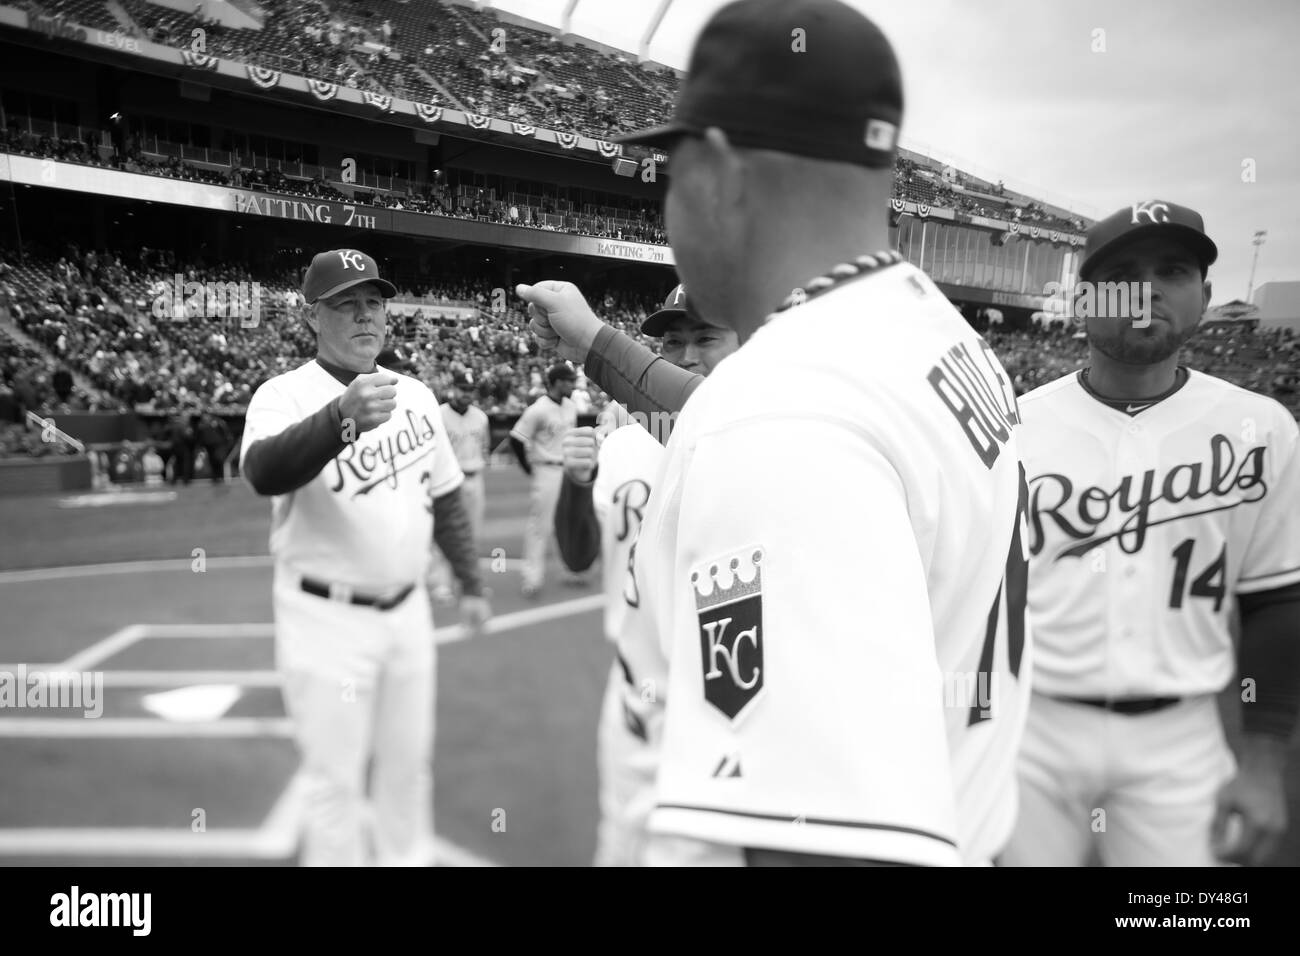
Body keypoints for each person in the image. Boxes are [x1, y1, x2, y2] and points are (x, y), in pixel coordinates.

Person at [519, 0, 1030, 866]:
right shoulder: (941, 334)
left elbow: (818, 841)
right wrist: (598, 343)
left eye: (671, 178)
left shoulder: (777, 405)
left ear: (723, 172)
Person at [1001, 202, 1300, 867]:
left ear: (1205, 296)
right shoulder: (1012, 428)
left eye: (1173, 270)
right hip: (1033, 731)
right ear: (1083, 299)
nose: (1149, 291)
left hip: (1182, 738)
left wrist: (1263, 759)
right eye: (1122, 275)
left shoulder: (1263, 427)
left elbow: (1275, 600)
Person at [239, 248, 490, 867]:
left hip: (406, 615)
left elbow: (447, 493)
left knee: (408, 771)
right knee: (336, 785)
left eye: (373, 301)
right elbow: (264, 473)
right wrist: (338, 420)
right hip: (326, 619)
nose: (364, 315)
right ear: (311, 318)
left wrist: (471, 580)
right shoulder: (285, 395)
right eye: (345, 303)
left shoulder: (417, 395)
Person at [552, 285, 740, 866]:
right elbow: (579, 554)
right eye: (670, 341)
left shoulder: (758, 443)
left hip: (714, 723)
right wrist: (575, 484)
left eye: (705, 337)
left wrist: (589, 338)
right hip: (631, 704)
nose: (684, 354)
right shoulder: (625, 443)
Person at [509, 362, 579, 598]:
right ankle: (532, 578)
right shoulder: (538, 409)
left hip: (568, 469)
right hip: (547, 470)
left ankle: (569, 570)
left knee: (567, 524)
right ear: (557, 382)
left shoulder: (571, 406)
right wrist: (529, 467)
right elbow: (516, 439)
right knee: (540, 527)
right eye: (569, 380)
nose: (573, 384)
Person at [430, 377, 491, 605]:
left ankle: (470, 584)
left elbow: (483, 447)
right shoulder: (438, 414)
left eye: (469, 389)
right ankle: (441, 585)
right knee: (446, 532)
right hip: (448, 479)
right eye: (462, 389)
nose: (466, 393)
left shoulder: (481, 417)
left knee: (473, 535)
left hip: (475, 476)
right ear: (452, 390)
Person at [196, 410, 232, 483]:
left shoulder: (217, 422)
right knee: (212, 461)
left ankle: (221, 476)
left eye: (206, 415)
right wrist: (201, 446)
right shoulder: (201, 425)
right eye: (204, 416)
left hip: (219, 445)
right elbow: (200, 437)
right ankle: (215, 477)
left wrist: (226, 443)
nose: (205, 417)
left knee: (218, 459)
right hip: (209, 446)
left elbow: (225, 433)